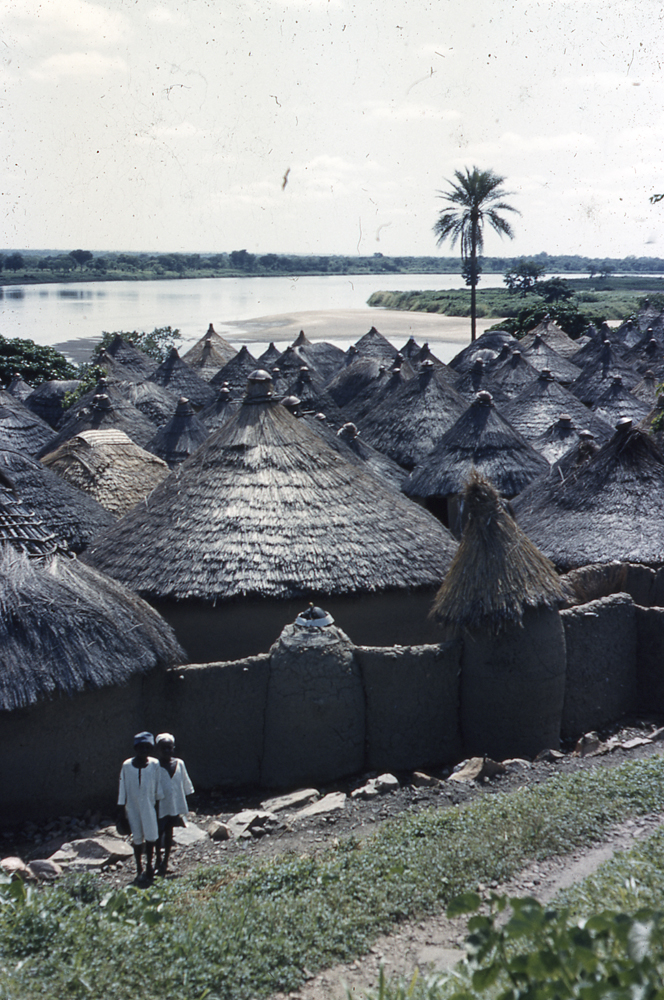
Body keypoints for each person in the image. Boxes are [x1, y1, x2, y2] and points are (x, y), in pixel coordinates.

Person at [117, 732, 164, 882]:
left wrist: (158, 808)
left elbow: (158, 787)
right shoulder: (127, 765)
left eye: (147, 747)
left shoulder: (155, 764)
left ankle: (150, 867)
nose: (144, 751)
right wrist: (121, 811)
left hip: (149, 806)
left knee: (151, 837)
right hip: (132, 807)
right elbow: (122, 788)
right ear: (135, 748)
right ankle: (139, 868)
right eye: (141, 747)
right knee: (137, 838)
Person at [154, 733, 194, 876]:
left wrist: (187, 799)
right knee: (158, 834)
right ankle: (157, 859)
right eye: (163, 748)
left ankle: (165, 860)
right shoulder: (154, 766)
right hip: (159, 806)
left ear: (173, 748)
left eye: (169, 748)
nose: (166, 751)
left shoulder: (179, 764)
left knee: (169, 831)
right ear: (157, 749)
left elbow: (185, 783)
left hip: (174, 805)